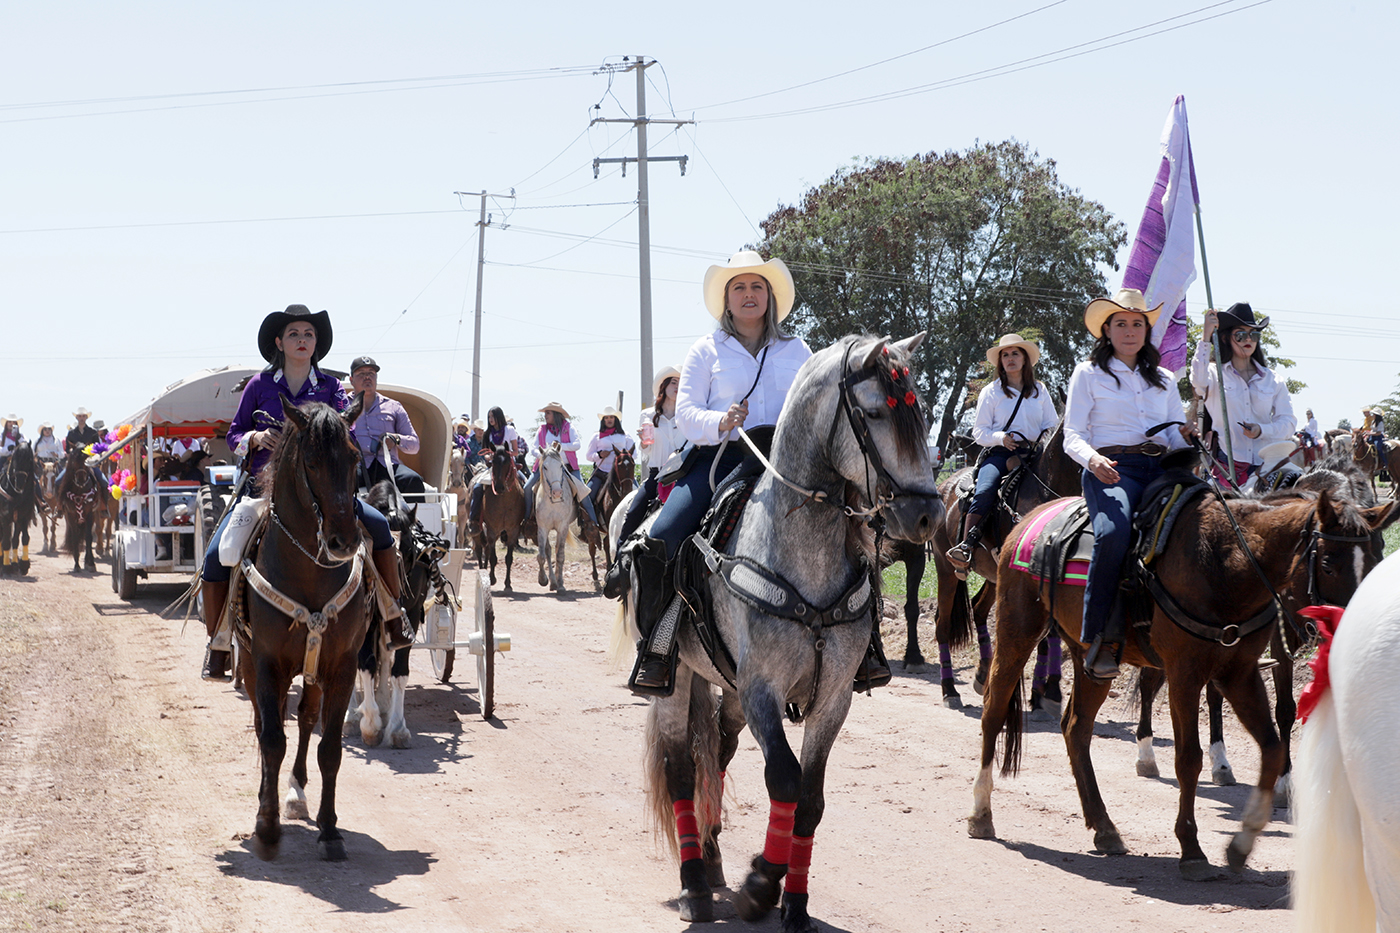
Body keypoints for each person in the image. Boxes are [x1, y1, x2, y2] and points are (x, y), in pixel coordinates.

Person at [628, 249, 814, 695]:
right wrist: (721, 421)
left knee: (857, 529)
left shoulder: (798, 349)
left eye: (756, 287)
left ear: (769, 296)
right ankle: (658, 647)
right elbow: (687, 413)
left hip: (791, 464)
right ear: (727, 300)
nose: (749, 295)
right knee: (663, 539)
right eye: (739, 288)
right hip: (721, 459)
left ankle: (863, 650)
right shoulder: (705, 350)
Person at [197, 305, 411, 682]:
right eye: (294, 334)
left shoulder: (331, 388)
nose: (302, 340)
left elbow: (347, 425)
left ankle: (393, 616)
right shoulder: (259, 386)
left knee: (379, 529)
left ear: (317, 344)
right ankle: (219, 642)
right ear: (279, 342)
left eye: (308, 334)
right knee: (219, 554)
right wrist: (257, 437)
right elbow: (233, 435)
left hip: (325, 493)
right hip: (263, 493)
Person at [1064, 288, 1194, 681]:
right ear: (1106, 330)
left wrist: (1187, 436)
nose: (1130, 330)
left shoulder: (1166, 379)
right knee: (1114, 532)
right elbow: (1072, 433)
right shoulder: (1087, 373)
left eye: (1137, 323)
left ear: (1146, 330)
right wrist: (1094, 459)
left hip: (1163, 469)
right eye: (1121, 323)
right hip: (1113, 469)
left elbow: (1173, 434)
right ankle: (1098, 636)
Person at [947, 334, 1060, 569]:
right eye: (1005, 355)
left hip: (1033, 454)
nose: (1010, 358)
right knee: (986, 489)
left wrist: (1041, 443)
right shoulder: (991, 391)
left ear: (1024, 359)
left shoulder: (1040, 390)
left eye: (1015, 353)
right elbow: (979, 432)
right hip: (999, 453)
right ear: (1000, 362)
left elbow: (1051, 424)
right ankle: (967, 546)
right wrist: (1001, 438)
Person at [1190, 302, 1296, 488]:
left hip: (1267, 468)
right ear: (1225, 338)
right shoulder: (1214, 375)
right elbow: (1198, 381)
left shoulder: (1274, 379)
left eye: (1254, 334)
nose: (1248, 339)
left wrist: (1262, 430)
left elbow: (1288, 424)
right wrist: (1205, 337)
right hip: (1225, 468)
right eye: (1240, 335)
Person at [346, 355, 426, 500]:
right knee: (337, 481)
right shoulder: (342, 406)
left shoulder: (394, 406)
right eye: (361, 374)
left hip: (387, 466)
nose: (367, 377)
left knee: (413, 480)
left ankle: (414, 522)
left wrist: (395, 439)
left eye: (371, 373)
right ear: (351, 380)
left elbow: (414, 445)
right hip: (354, 465)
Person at [521, 402, 596, 524]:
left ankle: (592, 524)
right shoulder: (542, 429)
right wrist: (545, 456)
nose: (545, 415)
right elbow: (534, 448)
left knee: (583, 493)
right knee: (527, 487)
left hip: (568, 467)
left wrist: (561, 446)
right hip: (546, 467)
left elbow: (577, 444)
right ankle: (528, 519)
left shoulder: (569, 427)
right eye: (545, 413)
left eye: (548, 413)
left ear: (556, 414)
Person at [465, 407, 522, 535]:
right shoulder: (488, 433)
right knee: (477, 487)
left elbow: (516, 451)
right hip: (494, 467)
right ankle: (474, 521)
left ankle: (526, 521)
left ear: (499, 416)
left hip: (508, 464)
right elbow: (485, 453)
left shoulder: (510, 430)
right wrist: (489, 456)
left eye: (493, 416)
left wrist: (505, 453)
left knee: (525, 484)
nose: (490, 419)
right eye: (489, 417)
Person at [584, 406, 636, 520]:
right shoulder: (596, 436)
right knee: (586, 497)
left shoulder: (625, 435)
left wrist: (625, 455)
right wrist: (599, 455)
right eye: (606, 417)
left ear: (616, 419)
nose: (609, 419)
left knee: (638, 496)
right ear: (603, 420)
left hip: (623, 475)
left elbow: (635, 454)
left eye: (611, 417)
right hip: (602, 473)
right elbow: (588, 456)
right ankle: (590, 524)